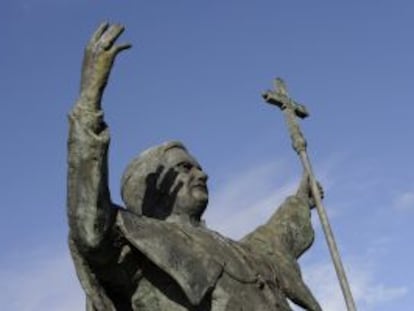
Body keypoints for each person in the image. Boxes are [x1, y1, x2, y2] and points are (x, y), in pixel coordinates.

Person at [67, 22, 322, 311]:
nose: (202, 173)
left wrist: (303, 199)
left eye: (197, 167)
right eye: (185, 168)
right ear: (153, 187)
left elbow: (277, 234)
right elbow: (89, 226)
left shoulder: (246, 252)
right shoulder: (138, 246)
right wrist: (88, 101)